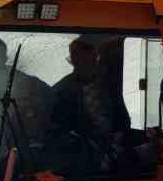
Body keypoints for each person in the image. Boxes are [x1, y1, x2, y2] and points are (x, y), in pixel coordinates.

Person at [0, 36, 50, 181]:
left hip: (9, 146)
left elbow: (46, 93)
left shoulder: (20, 79)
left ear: (5, 58)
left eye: (0, 56)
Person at [48, 37, 132, 172]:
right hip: (79, 159)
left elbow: (123, 119)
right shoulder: (61, 91)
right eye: (81, 60)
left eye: (92, 60)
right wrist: (87, 145)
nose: (89, 64)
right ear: (73, 61)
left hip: (114, 152)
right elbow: (57, 130)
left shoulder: (109, 86)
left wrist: (117, 140)